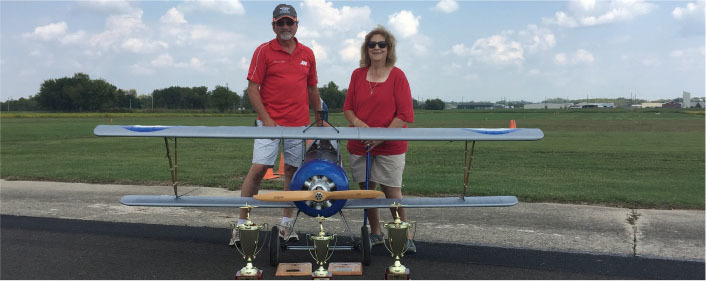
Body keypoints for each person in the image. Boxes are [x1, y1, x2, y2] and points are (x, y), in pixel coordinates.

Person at [230, 3, 323, 246]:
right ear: (273, 25)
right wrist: (267, 119)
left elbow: (312, 88)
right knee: (259, 169)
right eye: (280, 22)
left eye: (288, 22)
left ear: (296, 24)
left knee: (293, 171)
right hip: (269, 123)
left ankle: (286, 224)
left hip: (299, 124)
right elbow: (252, 88)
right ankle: (242, 225)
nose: (285, 27)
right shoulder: (263, 51)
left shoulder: (307, 53)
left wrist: (319, 117)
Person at [342, 25, 416, 253]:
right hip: (361, 144)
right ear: (366, 49)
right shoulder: (357, 74)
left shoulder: (398, 75)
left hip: (390, 145)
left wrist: (380, 137)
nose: (376, 48)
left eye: (381, 44)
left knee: (392, 192)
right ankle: (375, 233)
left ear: (388, 48)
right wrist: (357, 124)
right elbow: (348, 108)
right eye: (372, 44)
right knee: (368, 191)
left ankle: (403, 234)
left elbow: (404, 114)